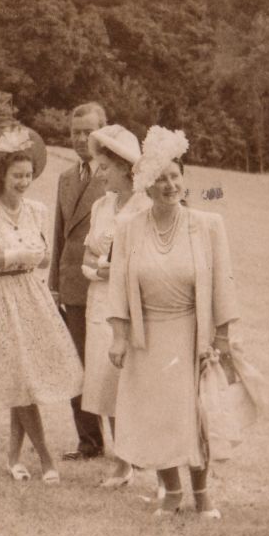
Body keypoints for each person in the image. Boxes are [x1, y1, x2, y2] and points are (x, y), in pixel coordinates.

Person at [106, 127, 238, 517]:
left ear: (183, 180)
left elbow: (223, 283)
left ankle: (203, 494)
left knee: (197, 414)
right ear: (146, 186)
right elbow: (117, 285)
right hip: (149, 336)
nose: (169, 185)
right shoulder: (129, 227)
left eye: (175, 176)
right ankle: (173, 492)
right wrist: (118, 336)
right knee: (157, 415)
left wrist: (224, 335)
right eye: (160, 179)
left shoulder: (208, 223)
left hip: (192, 332)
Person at [0, 127, 83, 483]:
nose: (23, 182)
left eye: (28, 175)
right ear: (0, 175)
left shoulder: (37, 210)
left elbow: (43, 259)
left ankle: (13, 459)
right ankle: (46, 460)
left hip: (32, 298)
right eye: (17, 176)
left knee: (23, 380)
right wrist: (15, 255)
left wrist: (34, 257)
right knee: (22, 380)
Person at [79, 124, 151, 488]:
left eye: (106, 167)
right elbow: (90, 252)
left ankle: (129, 459)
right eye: (98, 166)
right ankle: (121, 458)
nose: (100, 173)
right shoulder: (100, 206)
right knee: (105, 380)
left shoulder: (145, 205)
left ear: (126, 168)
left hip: (132, 302)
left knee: (129, 380)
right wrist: (93, 269)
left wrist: (120, 268)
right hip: (100, 299)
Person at [51, 102, 109, 460]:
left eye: (89, 132)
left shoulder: (117, 175)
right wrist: (53, 284)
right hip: (72, 285)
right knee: (75, 365)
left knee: (108, 366)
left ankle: (127, 445)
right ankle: (89, 442)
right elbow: (59, 234)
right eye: (75, 132)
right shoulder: (65, 178)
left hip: (105, 284)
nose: (82, 139)